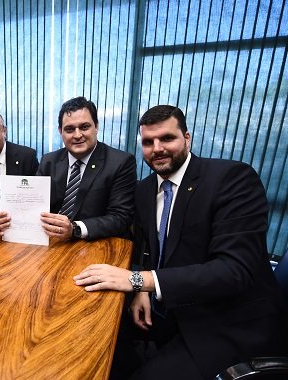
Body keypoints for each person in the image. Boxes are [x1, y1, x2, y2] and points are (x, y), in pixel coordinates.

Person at [73, 105, 287, 379]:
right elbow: (146, 248)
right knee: (89, 335)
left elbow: (234, 271)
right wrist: (140, 291)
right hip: (168, 308)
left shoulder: (232, 179)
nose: (157, 148)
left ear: (187, 138)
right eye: (148, 142)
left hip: (225, 321)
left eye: (167, 138)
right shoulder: (145, 189)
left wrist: (139, 281)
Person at [0, 97, 136, 241]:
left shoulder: (121, 162)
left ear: (96, 126)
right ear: (60, 131)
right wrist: (9, 220)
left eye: (84, 127)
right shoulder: (49, 161)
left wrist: (75, 229)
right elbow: (33, 204)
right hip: (54, 243)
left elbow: (121, 217)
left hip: (96, 244)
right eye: (69, 129)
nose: (77, 135)